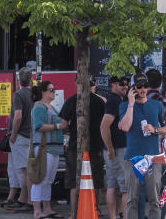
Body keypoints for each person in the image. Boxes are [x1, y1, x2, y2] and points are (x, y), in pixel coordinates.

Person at [118, 75, 165, 219]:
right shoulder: (124, 106)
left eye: (145, 85)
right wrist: (131, 103)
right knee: (132, 199)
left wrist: (155, 130)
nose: (143, 89)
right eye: (139, 86)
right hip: (133, 158)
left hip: (153, 158)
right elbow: (125, 127)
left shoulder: (156, 105)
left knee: (154, 200)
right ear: (133, 88)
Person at [62, 80, 108, 218]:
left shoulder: (71, 100)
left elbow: (64, 124)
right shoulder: (100, 101)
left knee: (74, 181)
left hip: (75, 146)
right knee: (97, 179)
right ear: (92, 86)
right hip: (96, 145)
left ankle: (73, 213)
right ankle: (96, 209)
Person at [29, 81, 66, 219]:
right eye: (51, 89)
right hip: (45, 146)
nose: (54, 91)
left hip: (53, 146)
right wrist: (58, 126)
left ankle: (47, 208)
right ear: (43, 92)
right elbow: (38, 126)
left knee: (49, 179)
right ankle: (37, 211)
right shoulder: (39, 107)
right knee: (41, 178)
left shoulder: (50, 107)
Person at [2, 67, 35, 212]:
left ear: (18, 80)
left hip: (21, 136)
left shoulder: (18, 95)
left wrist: (13, 134)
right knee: (28, 169)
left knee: (24, 170)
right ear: (31, 80)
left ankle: (29, 201)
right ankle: (23, 199)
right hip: (32, 135)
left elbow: (18, 116)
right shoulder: (35, 94)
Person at [102, 77, 130, 219]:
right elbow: (104, 125)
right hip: (117, 149)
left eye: (127, 83)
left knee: (113, 184)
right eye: (121, 84)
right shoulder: (114, 100)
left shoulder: (115, 99)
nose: (125, 86)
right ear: (113, 85)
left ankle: (114, 217)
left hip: (115, 149)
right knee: (125, 188)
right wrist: (110, 148)